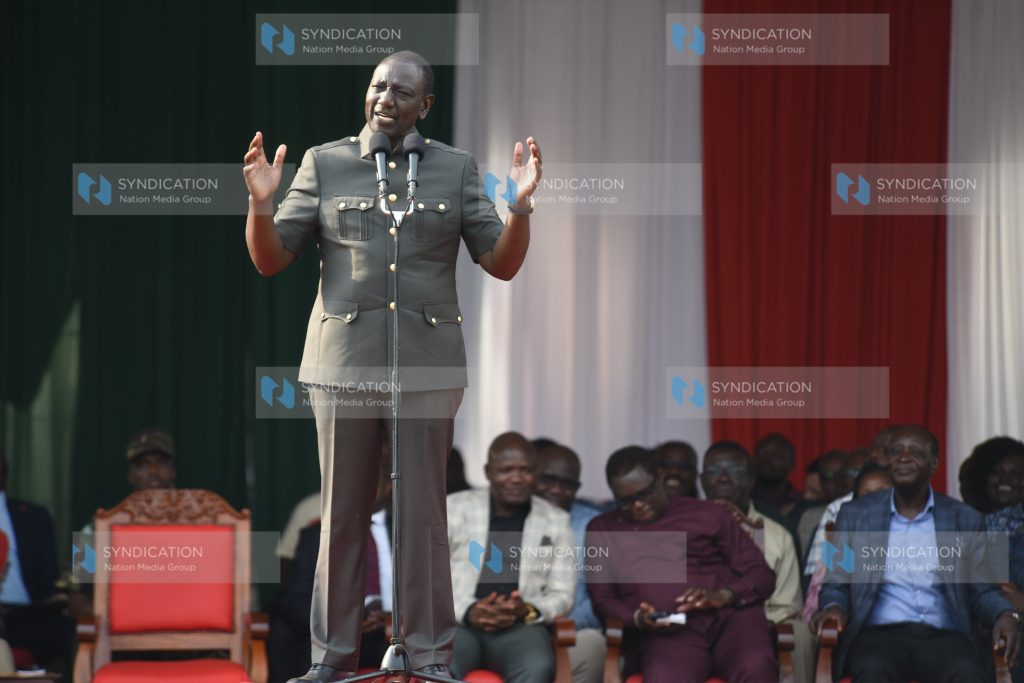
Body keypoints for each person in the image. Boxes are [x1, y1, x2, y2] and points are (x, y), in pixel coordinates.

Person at [243, 50, 542, 682]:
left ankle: (430, 656)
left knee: (424, 516)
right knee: (342, 515)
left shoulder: (456, 169)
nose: (385, 99)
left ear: (424, 105)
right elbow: (270, 261)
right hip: (344, 364)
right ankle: (331, 659)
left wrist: (519, 208)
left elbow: (502, 262)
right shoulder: (325, 163)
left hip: (428, 366)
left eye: (401, 92)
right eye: (378, 86)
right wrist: (261, 205)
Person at [813, 425, 1022, 682]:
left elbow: (984, 591)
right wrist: (833, 607)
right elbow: (835, 582)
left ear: (934, 464)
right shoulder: (852, 514)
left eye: (916, 452)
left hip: (944, 636)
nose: (904, 457)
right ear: (886, 461)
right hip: (877, 636)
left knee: (967, 672)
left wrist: (1006, 614)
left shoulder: (967, 519)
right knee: (872, 668)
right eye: (896, 451)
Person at [586, 447, 777, 683]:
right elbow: (602, 599)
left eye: (644, 494)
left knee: (756, 665)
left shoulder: (709, 513)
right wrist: (637, 618)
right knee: (666, 676)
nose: (637, 505)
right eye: (626, 501)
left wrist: (725, 595)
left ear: (660, 476)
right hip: (669, 630)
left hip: (730, 618)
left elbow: (762, 574)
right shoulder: (602, 528)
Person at [447, 433, 574, 683]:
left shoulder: (556, 521)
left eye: (525, 470)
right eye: (507, 470)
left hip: (519, 627)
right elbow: (425, 582)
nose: (516, 478)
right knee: (437, 665)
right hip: (457, 623)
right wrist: (469, 610)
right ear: (488, 472)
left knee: (536, 666)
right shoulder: (453, 509)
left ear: (536, 473)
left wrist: (527, 610)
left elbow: (563, 594)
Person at [699, 441, 813, 683]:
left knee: (790, 638)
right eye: (713, 471)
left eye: (734, 471)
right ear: (701, 480)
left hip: (754, 627)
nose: (723, 478)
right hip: (693, 628)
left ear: (751, 480)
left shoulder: (777, 534)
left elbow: (786, 606)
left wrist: (754, 622)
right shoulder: (680, 528)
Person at [534, 442, 605, 683]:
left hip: (574, 628)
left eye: (567, 484)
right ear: (532, 476)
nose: (556, 489)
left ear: (577, 488)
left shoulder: (592, 525)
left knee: (591, 646)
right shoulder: (511, 516)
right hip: (517, 628)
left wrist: (559, 624)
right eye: (548, 479)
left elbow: (600, 597)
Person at [0, 451, 73, 673]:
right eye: (144, 465)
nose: (152, 471)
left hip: (23, 615)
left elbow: (51, 580)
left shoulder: (35, 516)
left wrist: (68, 596)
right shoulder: (98, 525)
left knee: (63, 625)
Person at [752, 433, 803, 516]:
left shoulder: (801, 503)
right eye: (761, 454)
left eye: (776, 455)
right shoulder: (741, 499)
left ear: (791, 464)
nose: (767, 458)